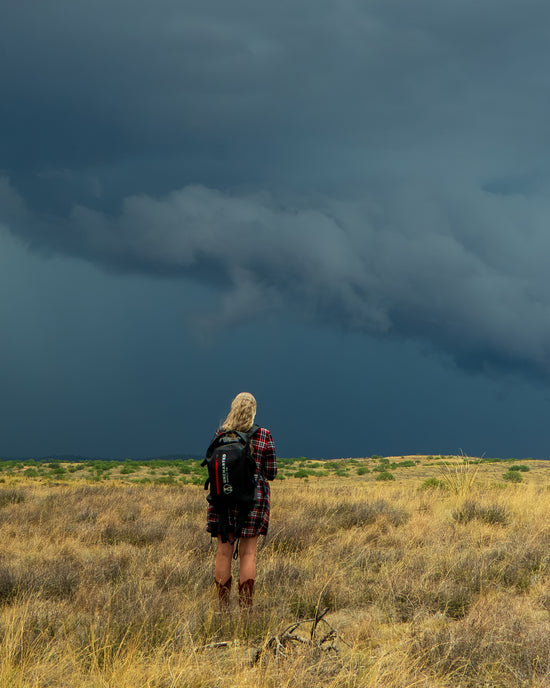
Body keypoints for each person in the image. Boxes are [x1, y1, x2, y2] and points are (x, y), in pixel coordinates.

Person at [206, 392, 277, 610]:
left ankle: (222, 608)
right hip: (253, 500)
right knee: (248, 553)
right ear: (253, 410)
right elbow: (271, 472)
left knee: (223, 552)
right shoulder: (264, 435)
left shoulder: (221, 434)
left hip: (222, 498)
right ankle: (246, 610)